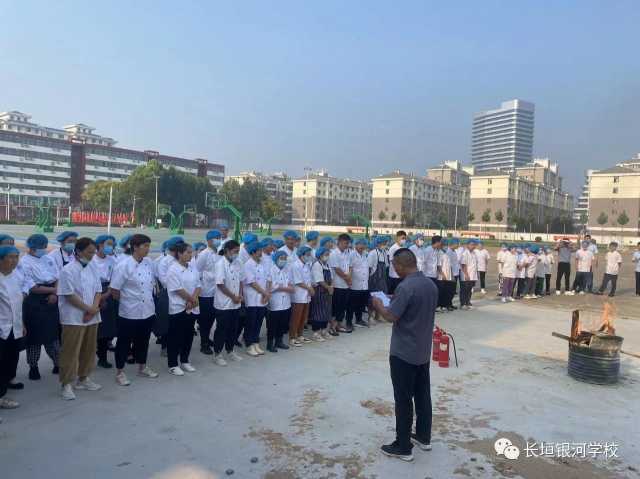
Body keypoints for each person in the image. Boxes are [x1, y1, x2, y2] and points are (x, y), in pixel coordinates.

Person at [371, 248, 436, 462]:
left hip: (404, 353)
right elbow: (410, 306)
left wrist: (379, 304)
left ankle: (403, 445)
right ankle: (424, 437)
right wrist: (394, 297)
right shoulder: (429, 284)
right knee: (422, 394)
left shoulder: (406, 286)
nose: (394, 270)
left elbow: (391, 316)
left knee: (403, 399)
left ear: (400, 265)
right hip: (422, 351)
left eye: (395, 266)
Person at [109, 234, 159, 386]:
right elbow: (114, 289)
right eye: (145, 246)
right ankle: (120, 372)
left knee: (143, 341)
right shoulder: (124, 265)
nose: (147, 249)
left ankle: (142, 367)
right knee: (124, 342)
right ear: (135, 247)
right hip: (129, 311)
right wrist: (126, 302)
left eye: (149, 246)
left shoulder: (149, 263)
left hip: (147, 310)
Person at [57, 237, 103, 400]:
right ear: (78, 251)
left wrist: (93, 308)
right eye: (89, 252)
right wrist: (88, 309)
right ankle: (67, 383)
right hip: (73, 317)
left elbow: (98, 290)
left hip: (92, 316)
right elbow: (69, 295)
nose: (92, 255)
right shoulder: (67, 270)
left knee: (89, 348)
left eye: (94, 252)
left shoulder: (93, 267)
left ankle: (83, 378)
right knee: (71, 350)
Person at [19, 234, 60, 380]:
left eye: (44, 246)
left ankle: (57, 363)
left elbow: (57, 278)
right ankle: (33, 367)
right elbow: (32, 287)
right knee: (34, 338)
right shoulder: (24, 262)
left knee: (53, 337)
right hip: (34, 302)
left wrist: (55, 294)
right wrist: (53, 291)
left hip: (52, 300)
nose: (43, 249)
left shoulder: (48, 259)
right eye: (39, 247)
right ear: (31, 247)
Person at [166, 242, 201, 376]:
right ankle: (173, 364)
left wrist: (194, 299)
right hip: (178, 308)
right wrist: (192, 300)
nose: (190, 255)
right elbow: (177, 289)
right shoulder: (173, 269)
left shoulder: (192, 267)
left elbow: (198, 285)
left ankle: (185, 360)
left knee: (188, 335)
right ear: (179, 254)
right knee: (175, 337)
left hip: (191, 307)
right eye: (188, 252)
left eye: (191, 252)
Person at [0, 245, 25, 412]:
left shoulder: (16, 276)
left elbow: (17, 304)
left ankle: (6, 383)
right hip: (1, 327)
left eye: (16, 256)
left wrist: (22, 323)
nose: (14, 260)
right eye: (10, 257)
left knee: (10, 358)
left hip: (13, 326)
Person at [212, 240, 244, 366]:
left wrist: (240, 295)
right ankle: (217, 353)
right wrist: (233, 297)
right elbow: (220, 284)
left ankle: (230, 350)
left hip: (236, 302)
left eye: (238, 251)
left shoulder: (238, 262)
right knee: (221, 329)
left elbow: (241, 280)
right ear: (227, 251)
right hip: (224, 303)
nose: (237, 254)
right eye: (235, 251)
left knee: (233, 328)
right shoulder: (220, 264)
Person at [92, 235, 118, 369]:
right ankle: (94, 353)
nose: (111, 247)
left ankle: (102, 357)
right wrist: (98, 297)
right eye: (108, 244)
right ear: (99, 245)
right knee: (95, 329)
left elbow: (115, 280)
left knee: (107, 329)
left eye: (112, 245)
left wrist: (106, 294)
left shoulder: (112, 260)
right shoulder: (91, 260)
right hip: (93, 294)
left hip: (108, 293)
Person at [195, 229, 221, 355]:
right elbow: (197, 272)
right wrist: (200, 287)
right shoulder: (204, 254)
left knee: (212, 318)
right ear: (209, 240)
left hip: (217, 291)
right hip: (205, 292)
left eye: (219, 237)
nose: (218, 240)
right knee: (205, 319)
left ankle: (208, 339)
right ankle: (204, 344)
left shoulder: (219, 253)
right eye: (216, 238)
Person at [243, 241, 270, 357]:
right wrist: (265, 293)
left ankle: (255, 342)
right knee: (251, 322)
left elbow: (268, 279)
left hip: (262, 298)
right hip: (252, 299)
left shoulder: (262, 263)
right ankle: (249, 344)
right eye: (259, 250)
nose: (261, 252)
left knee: (259, 322)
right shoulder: (248, 265)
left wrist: (267, 293)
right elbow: (252, 282)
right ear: (253, 252)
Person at [267, 251, 294, 352]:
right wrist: (284, 287)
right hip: (275, 302)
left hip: (286, 302)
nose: (283, 260)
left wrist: (282, 287)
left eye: (285, 258)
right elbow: (272, 287)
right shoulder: (271, 270)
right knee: (273, 324)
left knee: (283, 323)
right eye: (281, 258)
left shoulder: (287, 270)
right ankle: (270, 344)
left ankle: (279, 341)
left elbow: (292, 285)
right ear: (276, 259)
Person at [289, 246, 314, 346]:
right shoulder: (295, 265)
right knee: (296, 317)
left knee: (304, 317)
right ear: (301, 255)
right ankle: (292, 337)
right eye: (307, 255)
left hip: (306, 295)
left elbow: (309, 280)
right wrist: (309, 288)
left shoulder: (306, 265)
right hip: (298, 295)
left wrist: (311, 287)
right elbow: (298, 282)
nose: (309, 257)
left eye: (309, 255)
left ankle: (300, 335)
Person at [328, 234, 352, 333]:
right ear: (339, 242)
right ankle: (332, 326)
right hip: (337, 284)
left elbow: (350, 266)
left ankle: (339, 324)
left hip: (346, 284)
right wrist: (347, 278)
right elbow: (336, 269)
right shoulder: (334, 253)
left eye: (348, 243)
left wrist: (349, 277)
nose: (347, 245)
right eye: (345, 243)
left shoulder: (347, 253)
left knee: (343, 305)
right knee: (336, 306)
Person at [309, 247, 333, 341]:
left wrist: (332, 286)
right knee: (318, 312)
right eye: (325, 254)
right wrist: (328, 287)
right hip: (319, 291)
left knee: (326, 311)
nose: (327, 256)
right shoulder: (317, 265)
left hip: (328, 291)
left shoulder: (327, 265)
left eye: (328, 254)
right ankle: (316, 332)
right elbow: (319, 280)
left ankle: (324, 330)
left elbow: (331, 277)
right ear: (320, 255)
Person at [348, 238, 370, 328]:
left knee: (361, 304)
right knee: (351, 305)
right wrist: (349, 280)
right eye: (360, 244)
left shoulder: (365, 254)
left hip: (364, 284)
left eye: (364, 244)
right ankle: (349, 322)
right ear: (356, 245)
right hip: (354, 284)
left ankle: (359, 320)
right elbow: (349, 268)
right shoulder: (351, 255)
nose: (362, 246)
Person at [458, 240, 478, 310]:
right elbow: (463, 265)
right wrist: (466, 274)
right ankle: (463, 303)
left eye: (474, 245)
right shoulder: (465, 253)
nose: (473, 246)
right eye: (471, 244)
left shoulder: (474, 253)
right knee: (464, 290)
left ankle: (468, 302)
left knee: (469, 289)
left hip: (473, 275)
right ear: (467, 245)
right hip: (466, 275)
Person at [437, 239, 454, 312]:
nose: (446, 246)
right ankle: (438, 306)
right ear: (441, 245)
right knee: (440, 292)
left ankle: (444, 305)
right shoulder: (439, 253)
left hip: (448, 276)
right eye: (444, 245)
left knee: (446, 292)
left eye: (446, 245)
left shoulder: (447, 253)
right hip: (441, 276)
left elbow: (449, 265)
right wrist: (442, 274)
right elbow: (439, 266)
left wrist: (451, 275)